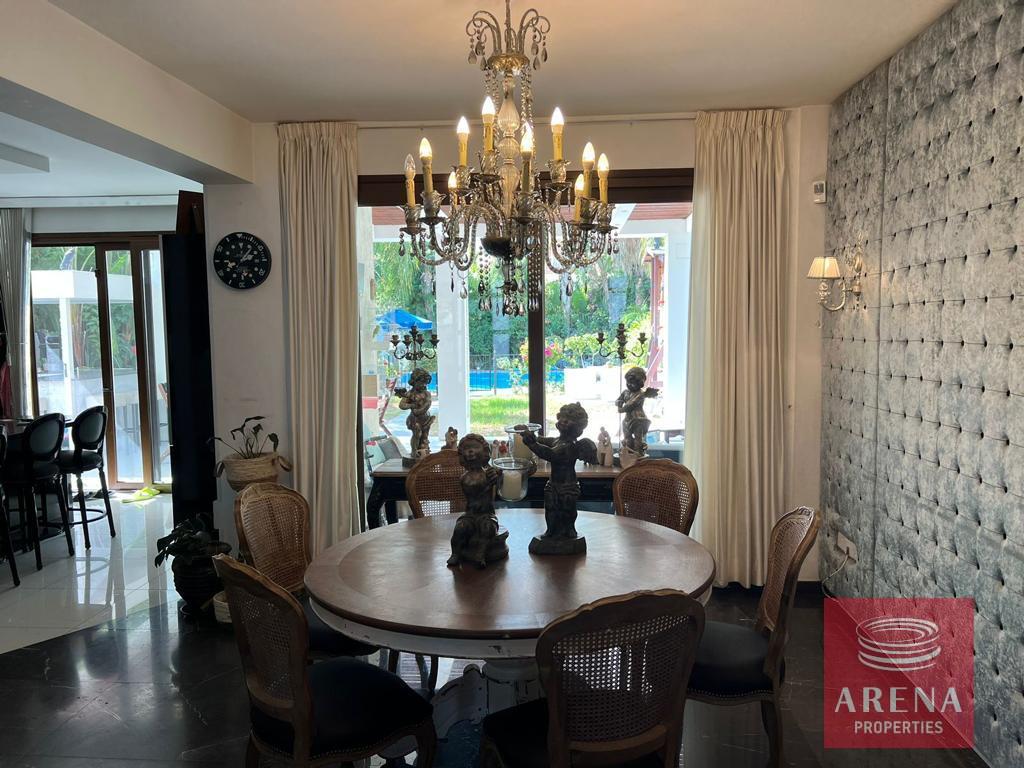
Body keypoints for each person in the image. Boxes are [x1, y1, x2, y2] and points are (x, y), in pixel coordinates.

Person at [522, 402, 596, 551]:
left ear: (577, 427)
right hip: (553, 483)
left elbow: (550, 454)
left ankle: (569, 531)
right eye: (561, 417)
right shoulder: (557, 440)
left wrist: (531, 443)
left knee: (567, 510)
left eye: (568, 420)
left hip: (567, 485)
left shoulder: (569, 445)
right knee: (550, 508)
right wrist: (529, 434)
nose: (563, 421)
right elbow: (543, 440)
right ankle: (551, 531)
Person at [616, 366, 658, 455]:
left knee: (638, 439)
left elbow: (630, 405)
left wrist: (621, 409)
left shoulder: (640, 394)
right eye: (628, 382)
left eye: (633, 383)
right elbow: (618, 400)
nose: (629, 385)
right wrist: (618, 402)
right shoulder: (625, 392)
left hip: (638, 419)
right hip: (627, 419)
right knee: (627, 438)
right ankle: (627, 453)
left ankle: (637, 455)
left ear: (640, 384)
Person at [395, 368, 434, 457]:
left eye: (425, 383)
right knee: (417, 434)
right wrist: (412, 405)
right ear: (414, 382)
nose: (423, 385)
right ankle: (414, 451)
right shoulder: (409, 394)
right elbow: (402, 405)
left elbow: (427, 404)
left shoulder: (426, 394)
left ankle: (424, 451)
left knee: (425, 436)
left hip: (426, 419)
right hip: (415, 420)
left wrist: (419, 410)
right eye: (421, 383)